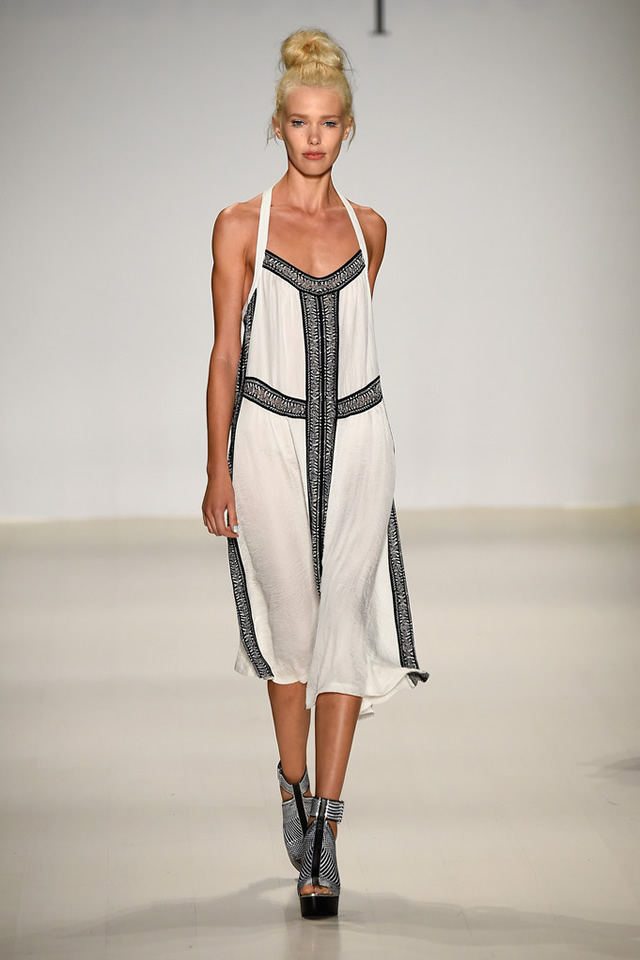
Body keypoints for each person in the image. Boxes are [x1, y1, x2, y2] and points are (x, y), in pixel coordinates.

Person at [202, 27, 429, 919]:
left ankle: (325, 834)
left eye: (328, 123)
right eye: (299, 122)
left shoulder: (371, 230)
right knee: (292, 633)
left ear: (348, 128)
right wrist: (216, 469)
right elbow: (226, 353)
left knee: (342, 633)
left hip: (362, 441)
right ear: (277, 125)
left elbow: (355, 340)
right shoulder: (239, 226)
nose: (313, 137)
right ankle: (292, 781)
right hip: (267, 442)